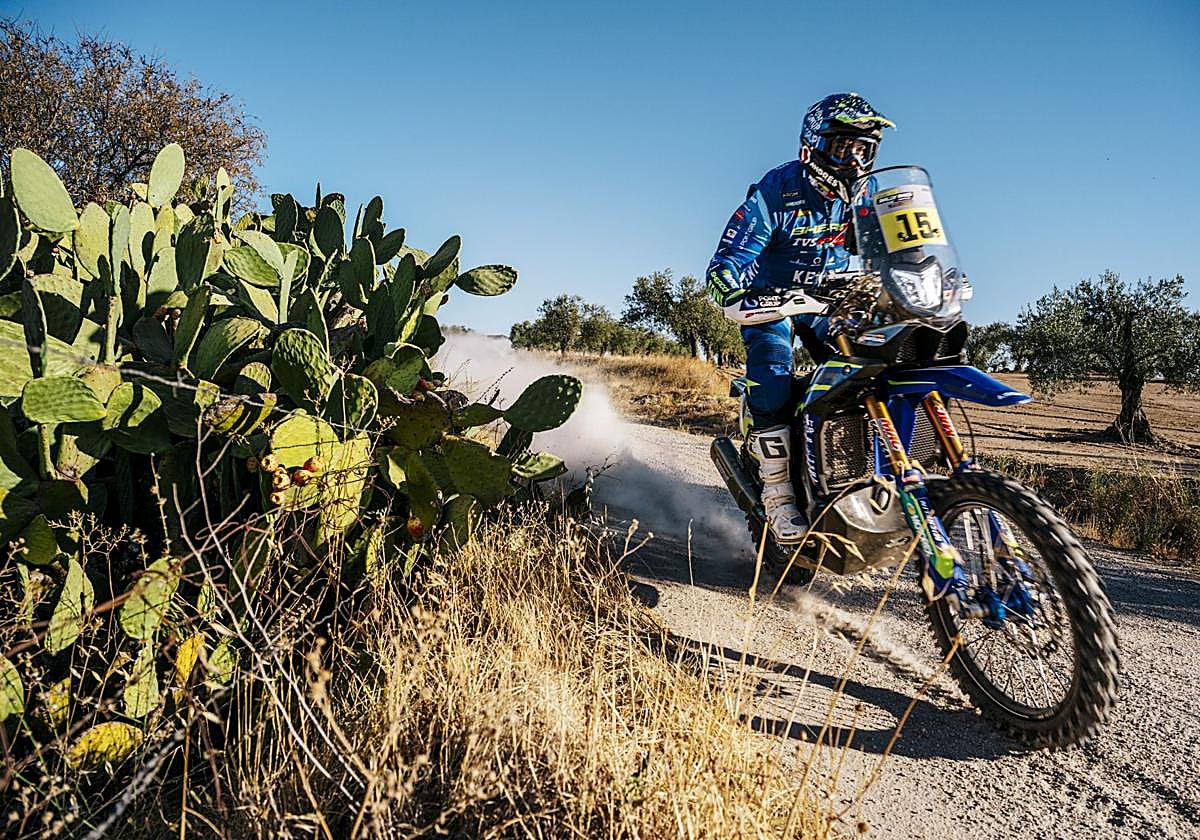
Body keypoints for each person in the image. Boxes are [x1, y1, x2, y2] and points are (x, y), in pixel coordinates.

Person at [706, 92, 894, 544]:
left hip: (833, 301)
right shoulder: (778, 190)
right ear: (814, 146)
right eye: (844, 146)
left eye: (864, 149)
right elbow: (725, 262)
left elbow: (891, 250)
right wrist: (730, 288)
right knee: (772, 377)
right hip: (777, 302)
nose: (854, 159)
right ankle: (777, 496)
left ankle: (872, 472)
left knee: (882, 361)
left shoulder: (866, 194)